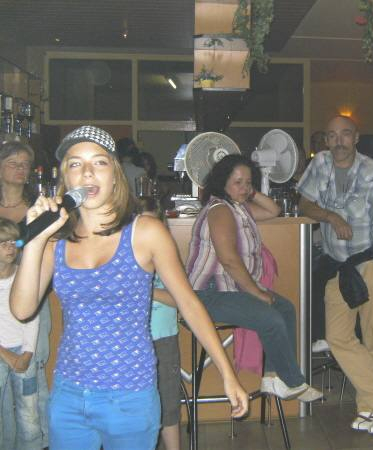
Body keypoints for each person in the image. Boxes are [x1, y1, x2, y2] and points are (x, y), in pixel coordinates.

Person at [9, 125, 248, 450]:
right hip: (69, 395)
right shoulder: (55, 242)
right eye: (76, 164)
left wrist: (227, 373)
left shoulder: (145, 232)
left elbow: (189, 304)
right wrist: (36, 240)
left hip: (130, 397)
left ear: (115, 175)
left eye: (99, 162)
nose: (88, 172)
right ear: (66, 178)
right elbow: (21, 310)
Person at [298, 115, 373, 434]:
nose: (338, 141)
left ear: (356, 137)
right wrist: (331, 216)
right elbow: (304, 204)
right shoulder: (319, 165)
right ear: (326, 140)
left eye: (345, 134)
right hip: (336, 266)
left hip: (368, 263)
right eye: (332, 136)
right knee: (337, 337)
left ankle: (371, 408)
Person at [186, 154, 322, 402]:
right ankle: (293, 381)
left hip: (229, 289)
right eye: (237, 182)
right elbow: (229, 259)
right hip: (207, 294)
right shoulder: (220, 210)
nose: (245, 188)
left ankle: (272, 377)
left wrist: (251, 192)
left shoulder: (238, 207)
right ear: (222, 182)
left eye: (248, 182)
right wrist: (257, 293)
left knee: (285, 308)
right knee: (270, 318)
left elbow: (274, 210)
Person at [0, 141, 50, 450]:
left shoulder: (38, 206)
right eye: (13, 162)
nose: (21, 169)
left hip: (31, 296)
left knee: (32, 374)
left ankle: (35, 443)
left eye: (25, 164)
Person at [138, 196, 181, 450]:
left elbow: (181, 299)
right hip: (132, 340)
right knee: (138, 406)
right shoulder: (125, 257)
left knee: (168, 402)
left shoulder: (167, 257)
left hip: (163, 338)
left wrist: (147, 289)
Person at [0, 218, 42, 450]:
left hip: (24, 354)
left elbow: (31, 317)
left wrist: (27, 353)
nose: (10, 247)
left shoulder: (24, 275)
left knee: (29, 415)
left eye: (13, 242)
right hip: (1, 354)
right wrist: (6, 354)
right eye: (3, 242)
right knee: (3, 417)